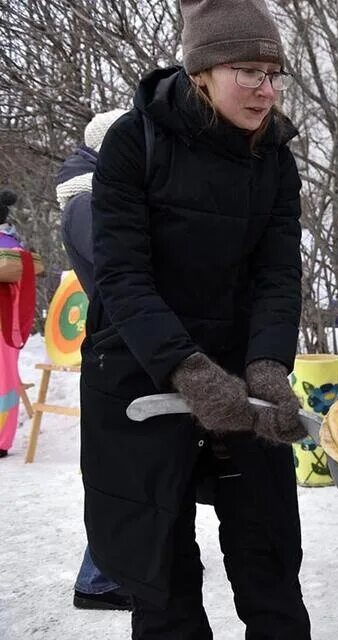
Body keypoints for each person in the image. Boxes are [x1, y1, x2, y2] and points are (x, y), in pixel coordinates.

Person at [82, 0, 310, 636]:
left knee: (269, 564)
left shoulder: (274, 158)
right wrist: (185, 367)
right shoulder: (135, 143)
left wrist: (266, 364)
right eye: (249, 71)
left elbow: (277, 274)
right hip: (140, 370)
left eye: (275, 73)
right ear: (202, 71)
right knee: (162, 579)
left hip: (241, 373)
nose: (266, 90)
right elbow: (122, 275)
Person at [56, 107, 133, 611]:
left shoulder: (98, 197)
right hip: (117, 348)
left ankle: (116, 565)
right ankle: (98, 578)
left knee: (130, 471)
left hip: (123, 343)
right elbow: (116, 274)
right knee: (121, 473)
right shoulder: (87, 203)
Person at [0, 188, 28, 459]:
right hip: (9, 326)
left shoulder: (10, 248)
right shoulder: (14, 245)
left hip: (5, 326)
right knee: (4, 381)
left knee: (4, 382)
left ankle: (1, 440)